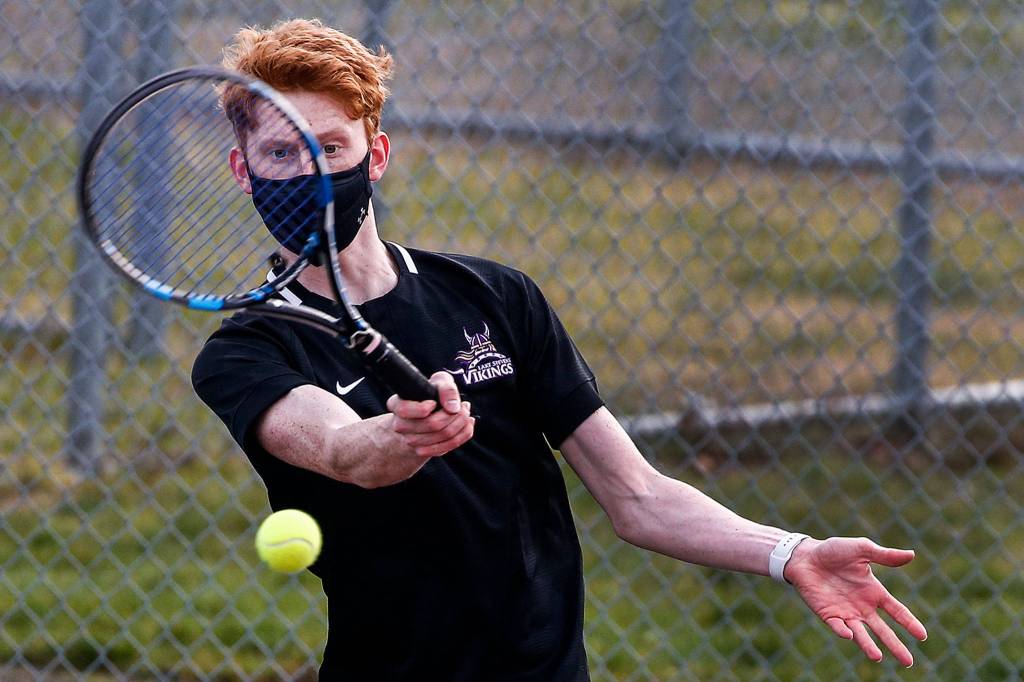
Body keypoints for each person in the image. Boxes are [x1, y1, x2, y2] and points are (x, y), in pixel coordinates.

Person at [192, 18, 927, 680]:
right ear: (242, 171)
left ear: (375, 155)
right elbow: (340, 449)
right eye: (282, 152)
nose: (310, 174)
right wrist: (403, 435)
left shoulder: (497, 297)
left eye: (330, 147)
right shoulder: (247, 350)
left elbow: (637, 498)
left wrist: (792, 552)